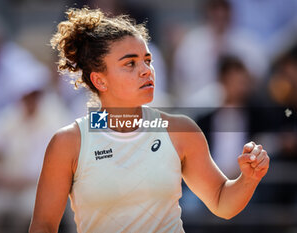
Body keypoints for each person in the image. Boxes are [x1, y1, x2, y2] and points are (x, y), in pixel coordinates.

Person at [29, 8, 270, 233]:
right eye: (130, 63)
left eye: (147, 60)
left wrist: (248, 179)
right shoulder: (68, 143)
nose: (146, 70)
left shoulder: (181, 130)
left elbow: (221, 202)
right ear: (100, 80)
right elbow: (43, 227)